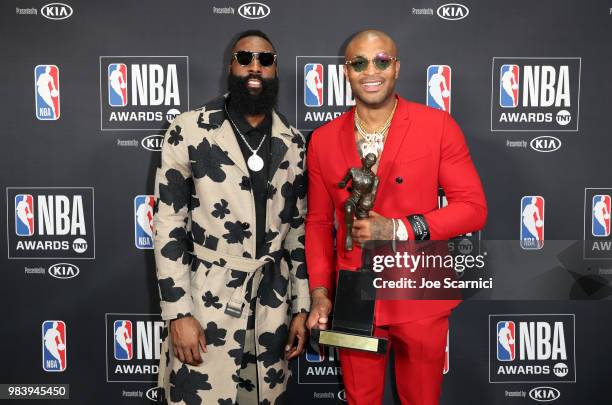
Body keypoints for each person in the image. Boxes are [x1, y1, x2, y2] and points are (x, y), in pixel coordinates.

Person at [306, 30, 487, 405]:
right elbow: (320, 224)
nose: (370, 70)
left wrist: (400, 227)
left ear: (397, 67)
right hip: (354, 293)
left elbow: (473, 208)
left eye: (381, 60)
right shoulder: (322, 139)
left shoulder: (436, 125)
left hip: (419, 287)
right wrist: (320, 293)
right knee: (361, 400)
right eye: (359, 62)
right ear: (346, 72)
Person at [153, 30, 309, 405]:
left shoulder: (293, 141)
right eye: (245, 58)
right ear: (231, 65)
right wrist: (178, 314)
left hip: (272, 307)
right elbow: (169, 225)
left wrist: (300, 307)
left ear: (275, 70)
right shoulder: (189, 130)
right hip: (208, 303)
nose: (255, 67)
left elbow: (297, 233)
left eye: (265, 60)